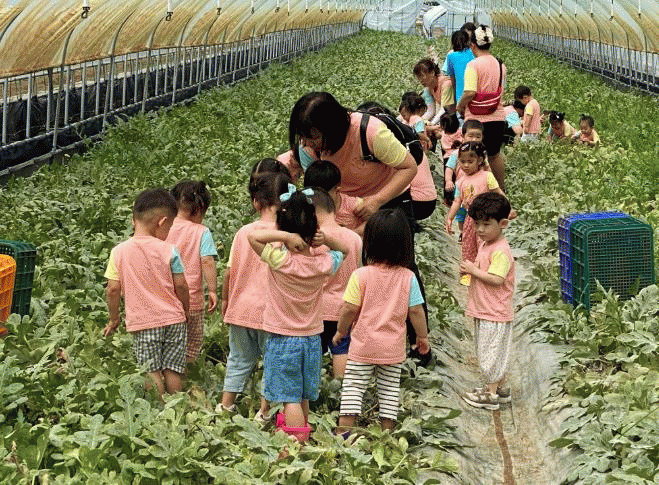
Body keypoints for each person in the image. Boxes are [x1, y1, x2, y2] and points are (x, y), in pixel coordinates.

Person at [289, 92, 430, 366]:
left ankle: (418, 344)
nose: (307, 143)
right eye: (303, 136)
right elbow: (317, 193)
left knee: (398, 269)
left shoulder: (369, 131)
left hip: (388, 197)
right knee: (351, 268)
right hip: (344, 205)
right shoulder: (308, 150)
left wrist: (376, 202)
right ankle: (352, 338)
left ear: (332, 127)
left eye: (313, 136)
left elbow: (408, 167)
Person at [248, 185, 348, 442]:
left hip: (283, 339)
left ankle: (296, 441)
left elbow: (253, 238)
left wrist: (283, 235)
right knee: (302, 393)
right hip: (312, 339)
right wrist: (325, 239)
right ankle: (303, 427)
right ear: (313, 230)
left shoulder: (281, 261)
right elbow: (344, 250)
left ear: (284, 227)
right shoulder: (322, 264)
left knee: (288, 396)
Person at [333, 208, 429, 434]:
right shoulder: (408, 277)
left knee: (353, 388)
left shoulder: (361, 275)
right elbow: (416, 310)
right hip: (392, 349)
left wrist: (341, 331)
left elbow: (349, 308)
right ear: (405, 244)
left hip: (363, 345)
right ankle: (387, 432)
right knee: (389, 391)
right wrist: (422, 337)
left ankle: (344, 431)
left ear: (369, 243)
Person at [103, 189, 190, 400]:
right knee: (173, 368)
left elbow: (112, 289)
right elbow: (181, 286)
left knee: (151, 370)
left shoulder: (118, 252)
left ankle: (158, 410)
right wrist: (185, 310)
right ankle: (176, 406)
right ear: (162, 222)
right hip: (174, 320)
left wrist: (114, 318)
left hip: (144, 323)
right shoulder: (170, 250)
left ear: (133, 220)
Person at [220, 168, 292, 421]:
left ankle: (225, 406)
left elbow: (229, 272)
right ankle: (264, 412)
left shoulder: (243, 233)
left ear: (255, 201)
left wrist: (226, 301)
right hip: (273, 312)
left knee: (238, 359)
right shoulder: (287, 235)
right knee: (272, 362)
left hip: (241, 308)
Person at [459, 192, 515, 410]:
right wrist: (471, 270)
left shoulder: (500, 251)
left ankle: (490, 395)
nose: (480, 229)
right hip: (485, 309)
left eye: (486, 224)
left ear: (503, 224)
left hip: (494, 312)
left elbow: (497, 279)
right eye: (476, 224)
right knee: (490, 350)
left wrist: (474, 271)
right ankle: (498, 388)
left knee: (490, 353)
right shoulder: (486, 244)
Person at [311, 189, 363, 378]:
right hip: (345, 307)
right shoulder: (354, 238)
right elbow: (358, 271)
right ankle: (340, 386)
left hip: (317, 307)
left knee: (314, 349)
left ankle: (314, 386)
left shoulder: (314, 239)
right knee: (341, 347)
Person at [166, 180, 218, 365]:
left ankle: (167, 378)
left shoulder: (162, 227)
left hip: (164, 299)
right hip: (192, 302)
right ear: (199, 210)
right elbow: (207, 261)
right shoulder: (202, 232)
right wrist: (213, 290)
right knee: (191, 348)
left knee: (168, 347)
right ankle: (186, 376)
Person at [445, 142, 510, 284]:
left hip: (487, 220)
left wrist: (508, 209)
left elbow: (498, 192)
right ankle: (467, 276)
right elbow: (457, 201)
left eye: (470, 161)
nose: (466, 165)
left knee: (486, 245)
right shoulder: (460, 182)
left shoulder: (487, 176)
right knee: (468, 247)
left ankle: (486, 273)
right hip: (471, 220)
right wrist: (449, 218)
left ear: (480, 160)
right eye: (462, 161)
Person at [456, 25, 508, 191]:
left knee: (472, 156)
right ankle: (499, 190)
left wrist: (459, 106)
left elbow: (470, 92)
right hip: (497, 117)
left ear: (472, 45)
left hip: (475, 121)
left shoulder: (473, 65)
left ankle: (473, 190)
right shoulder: (500, 65)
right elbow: (502, 91)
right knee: (494, 155)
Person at [304, 160, 365, 235]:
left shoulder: (354, 205)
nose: (317, 200)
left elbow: (371, 221)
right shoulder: (308, 208)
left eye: (322, 196)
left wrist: (353, 233)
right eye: (313, 195)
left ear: (337, 190)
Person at [444, 119, 484, 210]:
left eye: (478, 137)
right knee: (460, 207)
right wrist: (448, 180)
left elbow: (486, 169)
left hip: (478, 186)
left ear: (482, 137)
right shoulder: (457, 153)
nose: (474, 139)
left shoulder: (482, 154)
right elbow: (449, 167)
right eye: (470, 136)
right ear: (463, 136)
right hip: (461, 186)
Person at [413, 58, 455, 127]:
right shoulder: (429, 88)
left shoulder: (446, 84)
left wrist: (432, 124)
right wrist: (419, 121)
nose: (420, 80)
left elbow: (444, 108)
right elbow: (431, 110)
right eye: (418, 77)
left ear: (432, 73)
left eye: (422, 76)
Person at [446, 29, 475, 105]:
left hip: (460, 96)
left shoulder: (451, 56)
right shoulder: (473, 53)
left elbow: (452, 78)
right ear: (468, 41)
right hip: (475, 96)